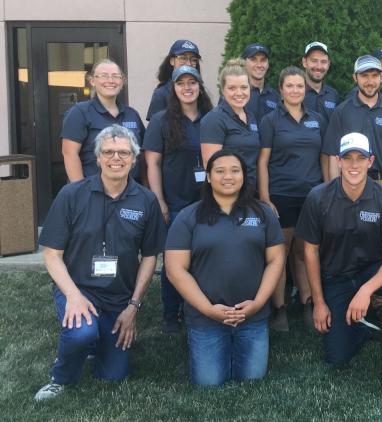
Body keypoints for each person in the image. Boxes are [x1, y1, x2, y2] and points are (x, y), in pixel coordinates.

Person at [34, 125, 166, 401]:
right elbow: (51, 254)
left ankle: (97, 341)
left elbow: (150, 257)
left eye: (123, 152)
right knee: (81, 332)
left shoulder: (146, 200)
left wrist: (133, 307)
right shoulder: (72, 195)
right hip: (79, 286)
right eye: (108, 152)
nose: (115, 158)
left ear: (133, 158)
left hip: (120, 296)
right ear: (97, 158)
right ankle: (61, 377)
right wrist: (73, 296)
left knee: (113, 375)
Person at [295, 132, 382, 397]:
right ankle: (361, 327)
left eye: (360, 158)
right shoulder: (319, 197)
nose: (353, 165)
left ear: (370, 161)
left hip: (371, 272)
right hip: (335, 276)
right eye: (347, 158)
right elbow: (310, 251)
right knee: (336, 358)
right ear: (338, 161)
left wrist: (366, 291)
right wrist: (319, 302)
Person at [164, 149, 285, 386]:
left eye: (235, 170)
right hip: (206, 318)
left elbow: (276, 260)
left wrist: (258, 303)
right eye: (219, 171)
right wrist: (208, 310)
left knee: (252, 380)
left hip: (252, 316)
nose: (227, 176)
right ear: (209, 177)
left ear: (244, 176)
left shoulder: (263, 214)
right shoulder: (189, 216)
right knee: (209, 384)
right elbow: (175, 270)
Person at [143, 65, 213, 333]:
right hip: (175, 201)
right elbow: (153, 162)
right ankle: (171, 314)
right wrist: (158, 199)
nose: (187, 87)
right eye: (181, 83)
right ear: (173, 88)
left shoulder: (211, 117)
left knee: (204, 257)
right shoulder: (161, 120)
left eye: (192, 82)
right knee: (174, 261)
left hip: (206, 200)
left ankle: (196, 307)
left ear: (199, 86)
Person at [258, 66, 327, 331]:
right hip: (281, 195)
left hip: (311, 197)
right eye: (290, 86)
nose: (296, 90)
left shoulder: (317, 119)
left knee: (305, 251)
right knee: (280, 252)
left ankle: (307, 303)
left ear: (305, 89)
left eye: (300, 86)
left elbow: (324, 158)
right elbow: (262, 161)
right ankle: (279, 308)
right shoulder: (270, 120)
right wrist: (265, 197)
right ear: (281, 90)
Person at [323, 55, 382, 204]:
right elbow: (332, 155)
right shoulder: (341, 111)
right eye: (364, 76)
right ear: (355, 77)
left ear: (381, 76)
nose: (370, 82)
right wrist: (336, 190)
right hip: (349, 183)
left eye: (375, 75)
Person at [61, 59, 144, 183]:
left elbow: (142, 154)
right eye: (104, 76)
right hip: (93, 191)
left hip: (131, 193)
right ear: (93, 81)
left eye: (116, 76)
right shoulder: (79, 113)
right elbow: (69, 153)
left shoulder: (132, 114)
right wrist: (80, 192)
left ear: (122, 82)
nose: (110, 80)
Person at [200, 59, 261, 188]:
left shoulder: (251, 116)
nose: (239, 93)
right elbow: (210, 165)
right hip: (228, 192)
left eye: (244, 87)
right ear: (223, 90)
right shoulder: (214, 119)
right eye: (232, 88)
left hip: (250, 192)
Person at [145, 39, 201, 120]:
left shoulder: (199, 91)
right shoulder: (161, 94)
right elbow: (155, 126)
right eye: (183, 58)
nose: (189, 64)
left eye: (193, 60)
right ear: (171, 61)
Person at [242, 43, 281, 122]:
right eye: (253, 59)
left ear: (268, 64)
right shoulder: (236, 94)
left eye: (263, 60)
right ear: (244, 63)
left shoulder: (275, 96)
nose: (259, 65)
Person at [301, 41, 339, 121]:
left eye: (323, 62)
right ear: (304, 62)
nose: (319, 66)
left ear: (328, 65)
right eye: (314, 61)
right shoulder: (295, 93)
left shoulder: (333, 95)